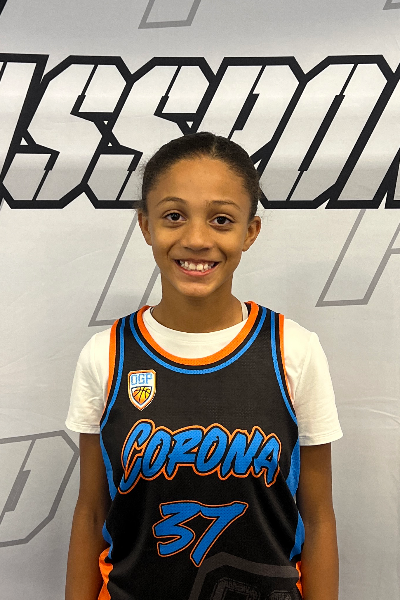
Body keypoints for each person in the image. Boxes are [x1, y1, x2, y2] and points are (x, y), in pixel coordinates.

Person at [65, 131, 342, 600]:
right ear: (146, 225)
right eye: (174, 216)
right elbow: (92, 514)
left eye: (221, 220)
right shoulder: (106, 353)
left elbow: (317, 518)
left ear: (250, 231)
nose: (196, 239)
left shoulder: (293, 350)